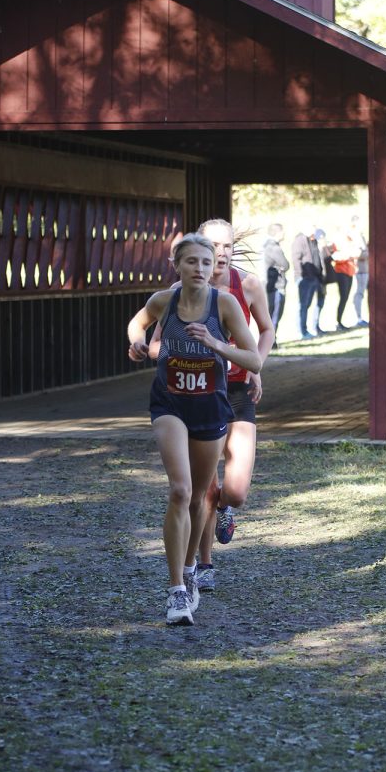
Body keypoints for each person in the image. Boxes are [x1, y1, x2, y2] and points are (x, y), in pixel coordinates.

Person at [127, 233, 261, 626]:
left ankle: (189, 571)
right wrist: (136, 342)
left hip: (209, 406)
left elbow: (252, 359)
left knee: (201, 495)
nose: (200, 269)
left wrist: (217, 345)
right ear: (177, 265)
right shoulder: (164, 301)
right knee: (180, 490)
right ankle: (175, 592)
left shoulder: (226, 305)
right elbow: (137, 322)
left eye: (207, 262)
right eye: (192, 262)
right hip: (169, 403)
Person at [149, 218, 274, 593]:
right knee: (199, 488)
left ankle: (226, 510)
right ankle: (203, 565)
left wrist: (256, 367)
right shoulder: (176, 293)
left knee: (232, 491)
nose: (220, 255)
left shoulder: (246, 286)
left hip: (236, 391)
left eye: (228, 247)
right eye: (213, 247)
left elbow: (264, 332)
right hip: (196, 394)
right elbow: (155, 339)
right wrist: (163, 356)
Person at [291, 227, 326, 340]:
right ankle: (301, 331)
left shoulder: (313, 240)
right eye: (312, 228)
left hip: (315, 277)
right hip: (305, 278)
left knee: (308, 304)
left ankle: (307, 329)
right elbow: (296, 259)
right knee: (303, 305)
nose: (314, 230)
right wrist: (301, 275)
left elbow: (317, 257)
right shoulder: (300, 240)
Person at [262, 223, 289, 347]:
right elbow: (286, 264)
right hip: (276, 286)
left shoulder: (265, 245)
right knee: (275, 315)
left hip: (267, 286)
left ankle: (269, 342)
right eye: (283, 231)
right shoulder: (274, 247)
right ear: (278, 233)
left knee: (270, 314)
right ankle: (271, 343)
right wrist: (281, 268)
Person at [331, 230, 358, 331]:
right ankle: (337, 321)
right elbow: (334, 257)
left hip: (350, 272)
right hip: (341, 272)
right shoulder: (336, 243)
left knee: (346, 297)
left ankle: (340, 321)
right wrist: (345, 256)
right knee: (343, 297)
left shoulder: (349, 239)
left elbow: (355, 251)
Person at [350, 215, 370, 327]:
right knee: (358, 293)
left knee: (361, 293)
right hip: (359, 269)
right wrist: (367, 254)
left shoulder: (360, 235)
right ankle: (358, 318)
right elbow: (356, 253)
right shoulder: (354, 235)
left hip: (364, 268)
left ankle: (361, 317)